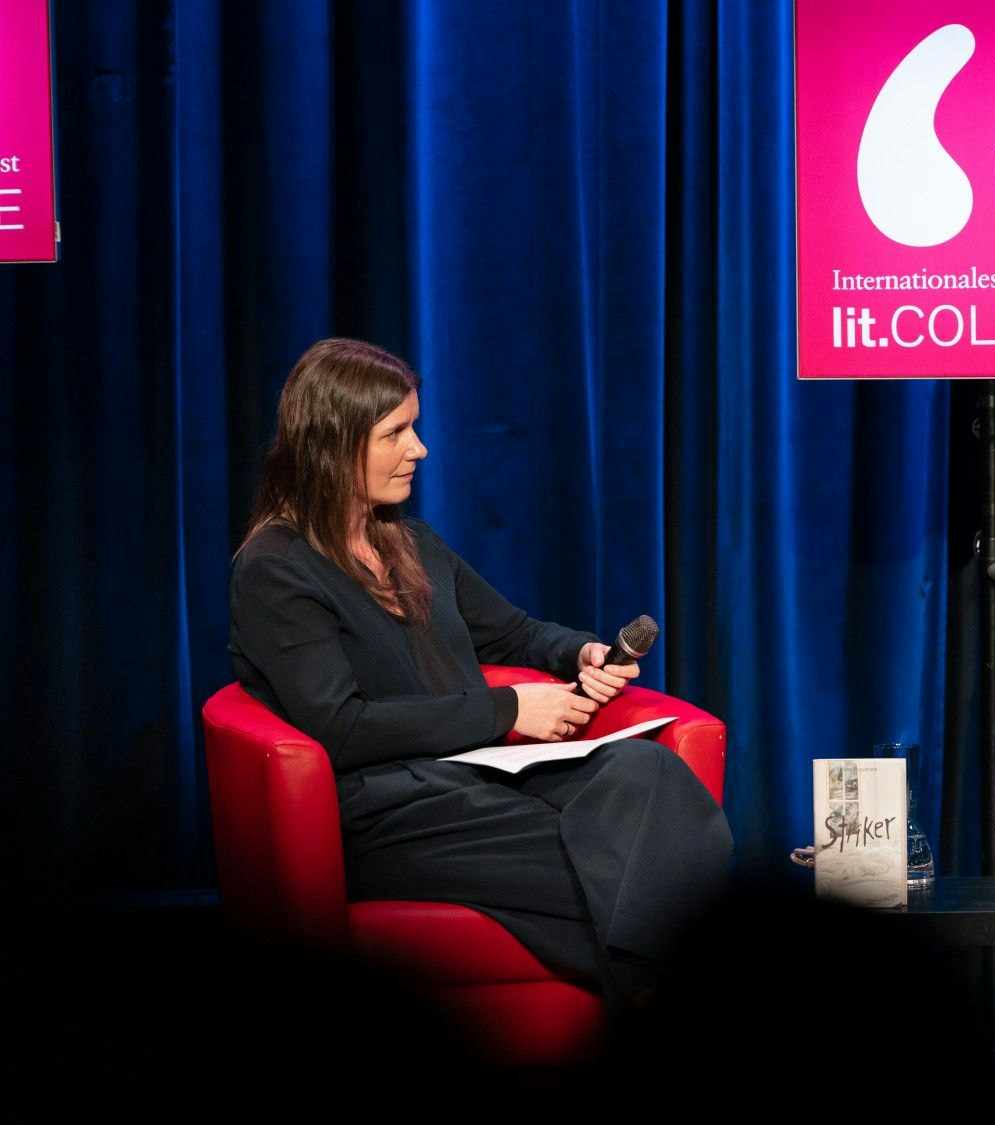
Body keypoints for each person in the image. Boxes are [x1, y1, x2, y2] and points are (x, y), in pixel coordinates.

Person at [228, 337, 734, 1008]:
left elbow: (515, 631)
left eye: (415, 425)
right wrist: (509, 712)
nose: (420, 448)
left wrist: (576, 654)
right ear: (331, 442)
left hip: (476, 778)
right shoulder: (276, 567)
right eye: (396, 433)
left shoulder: (410, 543)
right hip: (389, 811)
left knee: (651, 773)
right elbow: (340, 726)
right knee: (631, 860)